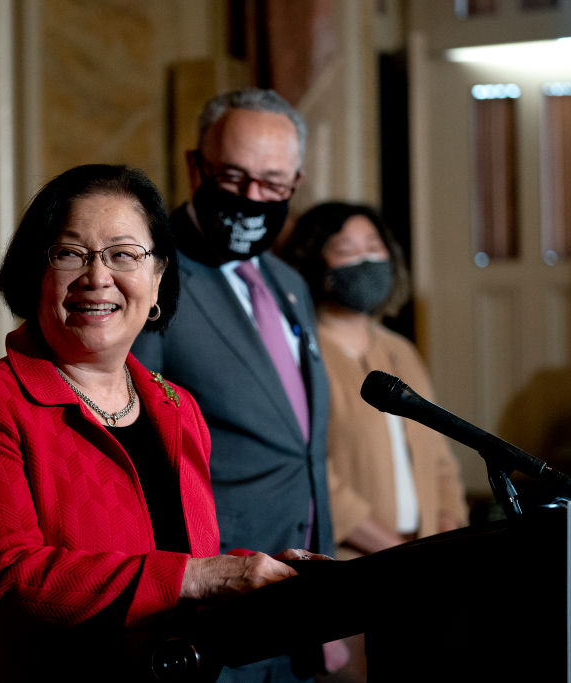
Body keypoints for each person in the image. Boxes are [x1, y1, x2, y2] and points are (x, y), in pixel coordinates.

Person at [0, 164, 323, 682]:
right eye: (70, 253)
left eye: (124, 255)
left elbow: (179, 562)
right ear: (33, 274)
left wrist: (259, 574)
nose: (97, 277)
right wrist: (204, 576)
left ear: (157, 281)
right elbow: (9, 582)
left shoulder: (177, 407)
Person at [131, 88, 339, 681]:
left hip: (301, 600)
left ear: (296, 182)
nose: (252, 199)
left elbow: (299, 443)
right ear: (196, 166)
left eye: (273, 185)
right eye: (234, 176)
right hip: (213, 605)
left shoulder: (289, 280)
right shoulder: (150, 274)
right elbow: (139, 443)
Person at [280, 201, 468, 680]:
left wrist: (444, 533)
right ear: (313, 261)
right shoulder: (299, 353)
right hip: (353, 573)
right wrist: (395, 550)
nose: (365, 261)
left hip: (427, 566)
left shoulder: (398, 349)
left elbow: (441, 456)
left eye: (373, 248)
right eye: (346, 250)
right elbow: (313, 473)